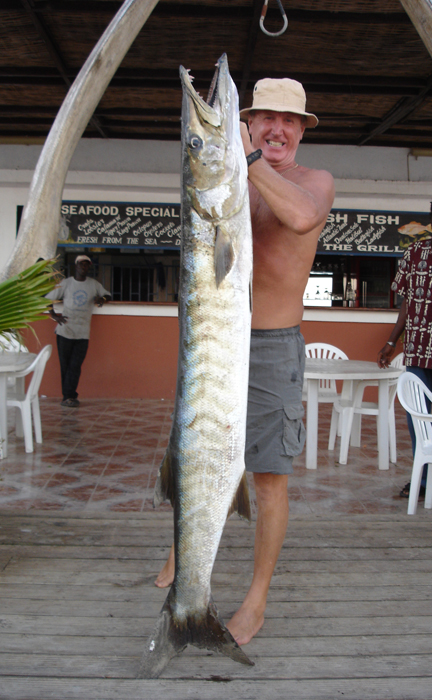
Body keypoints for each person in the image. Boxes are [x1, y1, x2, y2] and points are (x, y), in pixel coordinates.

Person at [155, 78, 335, 646]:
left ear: (302, 130)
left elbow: (302, 218)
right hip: (215, 342)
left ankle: (256, 600)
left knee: (269, 477)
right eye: (266, 119)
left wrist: (245, 159)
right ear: (249, 122)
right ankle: (186, 546)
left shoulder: (314, 181)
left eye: (290, 121)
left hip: (273, 344)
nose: (278, 129)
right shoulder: (230, 178)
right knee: (191, 451)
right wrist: (225, 160)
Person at [377, 185, 432, 505]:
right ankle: (423, 477)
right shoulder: (414, 252)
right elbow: (406, 301)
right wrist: (392, 341)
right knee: (416, 415)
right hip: (416, 345)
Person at [47, 254, 110, 407]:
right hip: (65, 331)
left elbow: (107, 295)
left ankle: (69, 396)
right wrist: (54, 315)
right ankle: (68, 397)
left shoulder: (93, 284)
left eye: (87, 264)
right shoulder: (66, 283)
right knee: (65, 365)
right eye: (81, 264)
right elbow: (48, 299)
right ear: (76, 266)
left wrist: (102, 300)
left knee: (75, 366)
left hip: (82, 332)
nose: (84, 267)